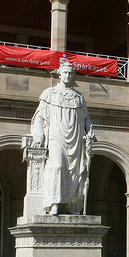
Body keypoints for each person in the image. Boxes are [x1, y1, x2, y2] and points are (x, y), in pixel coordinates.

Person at [29, 61, 95, 215]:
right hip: (56, 135)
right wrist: (39, 135)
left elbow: (86, 118)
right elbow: (39, 117)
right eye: (65, 73)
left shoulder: (79, 97)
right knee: (57, 166)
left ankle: (70, 205)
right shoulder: (49, 93)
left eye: (71, 73)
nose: (68, 76)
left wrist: (90, 131)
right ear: (59, 74)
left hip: (75, 137)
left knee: (74, 170)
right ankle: (54, 202)